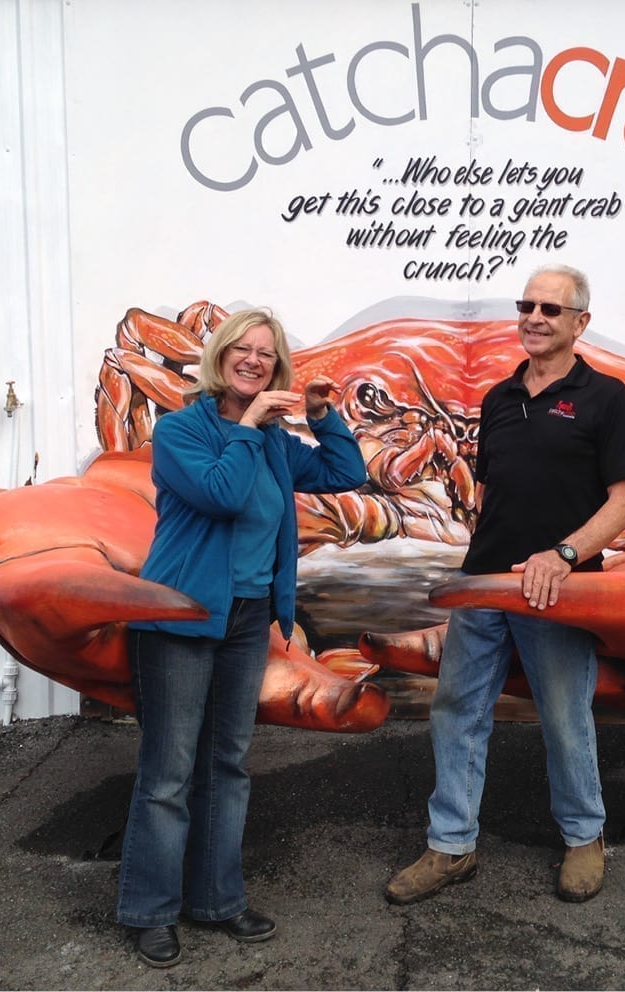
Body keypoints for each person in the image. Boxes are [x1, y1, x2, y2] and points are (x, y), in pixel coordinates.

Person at [385, 264, 625, 905]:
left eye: (551, 309)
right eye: (527, 304)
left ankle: (585, 837)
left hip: (558, 592)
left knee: (564, 717)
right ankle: (451, 846)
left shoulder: (606, 397)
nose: (535, 316)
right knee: (457, 711)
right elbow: (491, 490)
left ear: (580, 322)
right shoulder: (500, 399)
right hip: (484, 584)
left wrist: (563, 554)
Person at [117, 307, 366, 967]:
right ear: (221, 357)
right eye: (243, 350)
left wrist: (318, 416)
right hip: (179, 613)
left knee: (227, 765)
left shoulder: (278, 444)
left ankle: (217, 900)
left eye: (267, 353)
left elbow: (345, 474)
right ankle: (150, 910)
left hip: (248, 616)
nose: (254, 360)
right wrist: (251, 427)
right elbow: (222, 494)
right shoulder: (179, 432)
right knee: (170, 770)